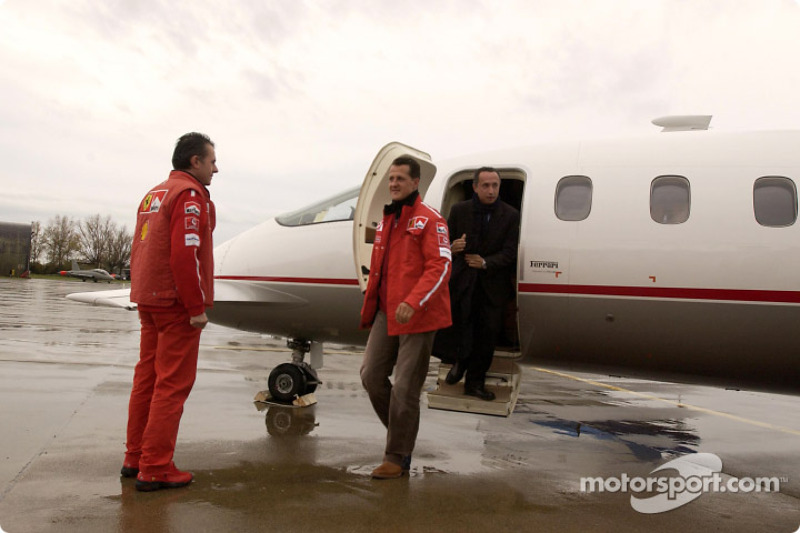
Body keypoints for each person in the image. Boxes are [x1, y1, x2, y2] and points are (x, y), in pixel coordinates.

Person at [121, 132, 218, 492]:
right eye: (211, 161)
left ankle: (135, 456)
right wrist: (195, 306)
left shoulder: (155, 193)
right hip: (175, 303)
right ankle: (157, 466)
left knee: (146, 379)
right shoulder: (189, 195)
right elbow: (184, 253)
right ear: (195, 161)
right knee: (172, 384)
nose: (215, 168)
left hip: (148, 297)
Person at [359, 156, 452, 479]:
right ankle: (403, 432)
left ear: (415, 183)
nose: (394, 184)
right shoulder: (387, 220)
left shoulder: (430, 220)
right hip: (388, 311)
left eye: (400, 179)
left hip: (419, 315)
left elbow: (440, 266)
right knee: (371, 375)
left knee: (405, 389)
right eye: (391, 179)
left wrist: (414, 301)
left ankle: (397, 457)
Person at [435, 167, 519, 401]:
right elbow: (444, 243)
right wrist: (452, 247)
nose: (491, 190)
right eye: (486, 185)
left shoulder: (510, 215)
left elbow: (510, 252)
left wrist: (485, 262)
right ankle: (459, 363)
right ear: (475, 187)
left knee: (487, 335)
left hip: (492, 285)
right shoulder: (460, 210)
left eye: (495, 185)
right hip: (464, 282)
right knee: (462, 327)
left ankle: (474, 383)